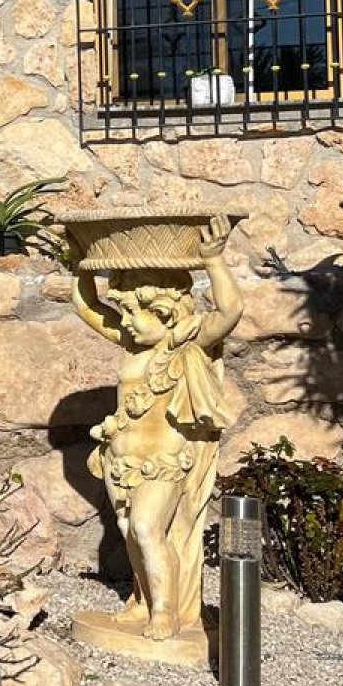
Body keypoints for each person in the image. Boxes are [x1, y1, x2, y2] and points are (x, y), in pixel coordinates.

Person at [69, 215, 242, 642]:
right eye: (123, 310)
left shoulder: (187, 343)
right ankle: (143, 599)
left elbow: (230, 310)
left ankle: (166, 611)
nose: (125, 320)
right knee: (129, 532)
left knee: (149, 529)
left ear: (164, 312)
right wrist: (80, 266)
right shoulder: (132, 343)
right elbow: (86, 306)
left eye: (133, 311)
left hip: (163, 459)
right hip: (120, 457)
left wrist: (214, 261)